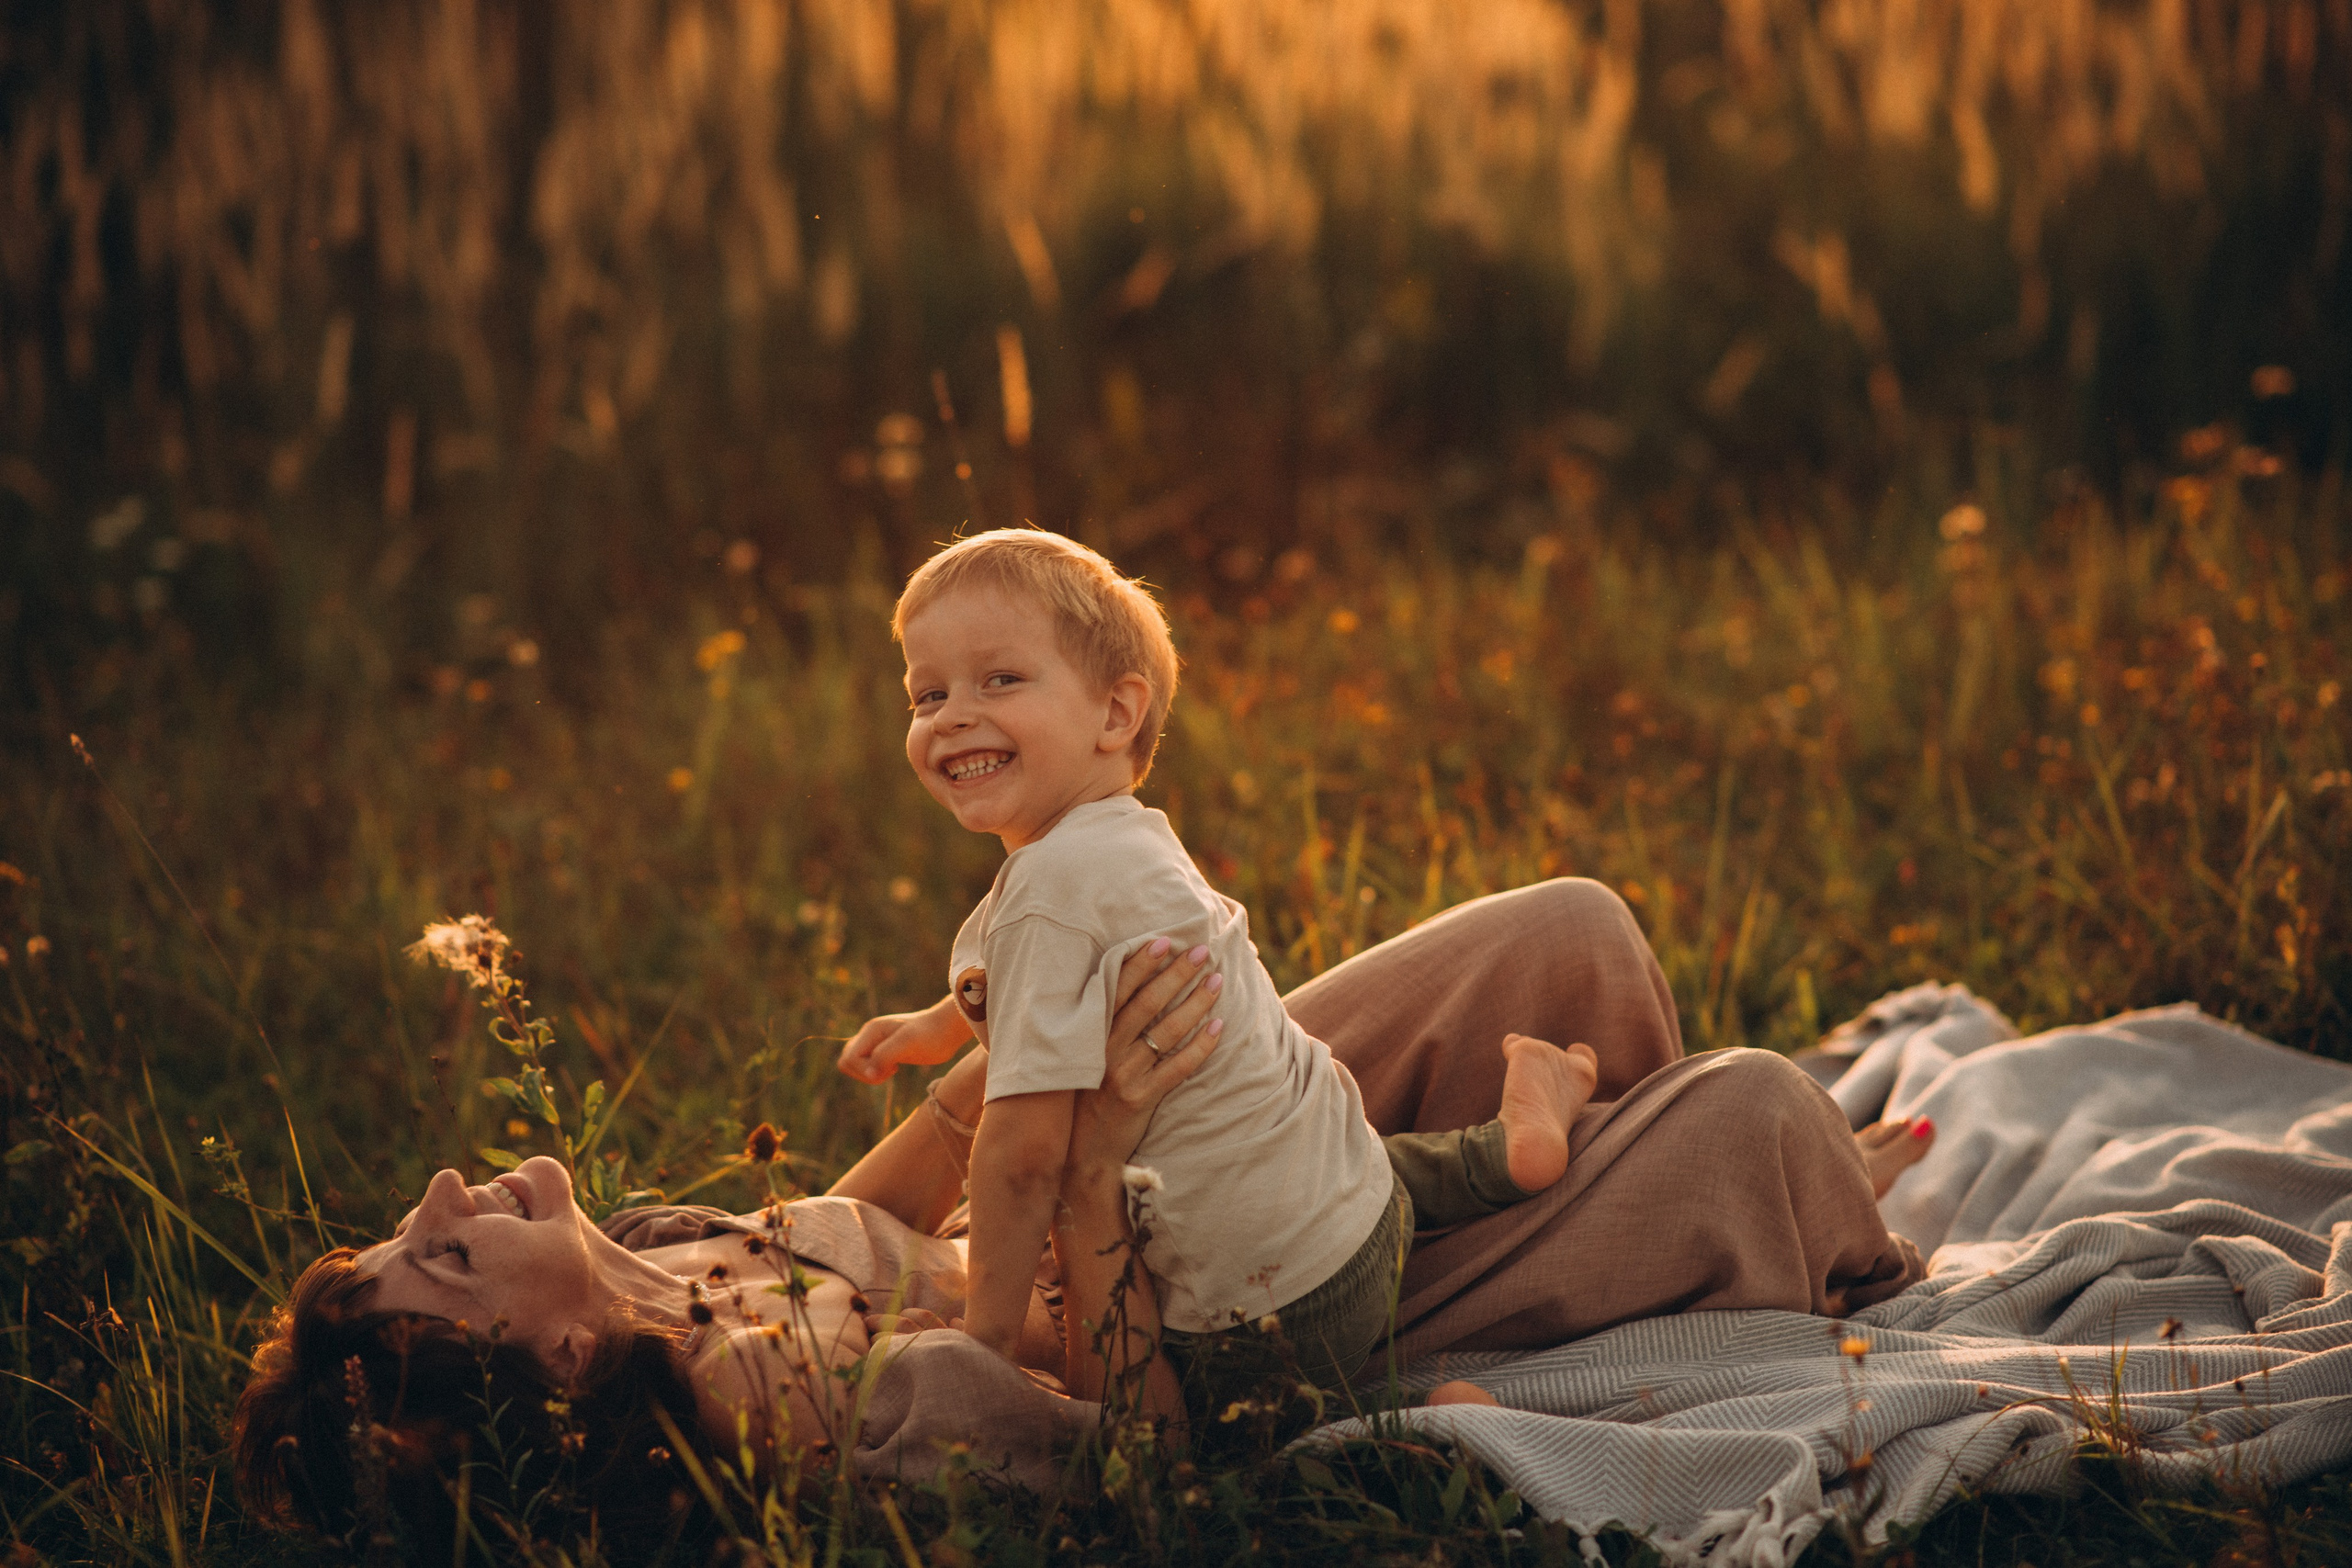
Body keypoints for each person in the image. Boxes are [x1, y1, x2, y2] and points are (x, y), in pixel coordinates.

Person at [234, 877, 1934, 1552]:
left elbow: (887, 1190)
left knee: (1566, 933)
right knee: (1760, 1118)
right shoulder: (794, 1415)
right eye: (443, 1255)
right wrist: (1108, 1130)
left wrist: (1023, 1037)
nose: (448, 1190)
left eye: (416, 1218)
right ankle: (1720, 1195)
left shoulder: (670, 1253)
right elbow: (1154, 1430)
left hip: (1134, 1164)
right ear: (553, 1348)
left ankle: (1611, 1160)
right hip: (1250, 1295)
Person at [834, 528, 1601, 1408]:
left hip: (1252, 1316)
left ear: (1117, 715)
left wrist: (988, 1342)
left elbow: (1019, 1161)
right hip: (1354, 1217)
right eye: (926, 694)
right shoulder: (1130, 840)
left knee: (1210, 1438)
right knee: (1357, 1162)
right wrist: (934, 1029)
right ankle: (1509, 1152)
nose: (952, 714)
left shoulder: (1048, 890)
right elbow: (1028, 975)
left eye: (999, 679)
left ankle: (1416, 1428)